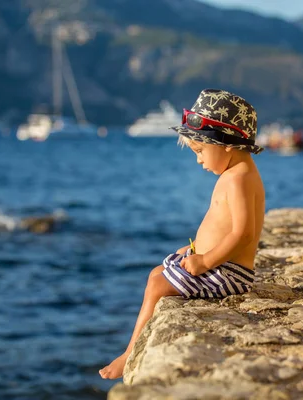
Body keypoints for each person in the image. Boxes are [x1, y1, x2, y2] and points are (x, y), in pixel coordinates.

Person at [99, 89, 265, 379]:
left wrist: (205, 262)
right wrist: (194, 249)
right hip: (218, 263)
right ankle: (130, 349)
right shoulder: (236, 173)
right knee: (154, 274)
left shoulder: (238, 179)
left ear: (226, 142)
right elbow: (221, 225)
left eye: (200, 151)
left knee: (158, 285)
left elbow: (243, 235)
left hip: (228, 272)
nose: (199, 160)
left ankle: (130, 353)